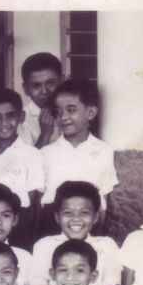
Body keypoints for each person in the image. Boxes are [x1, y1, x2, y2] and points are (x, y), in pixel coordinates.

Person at [28, 180, 122, 285]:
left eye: (84, 213)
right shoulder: (44, 246)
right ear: (57, 217)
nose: (76, 219)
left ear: (95, 217)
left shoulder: (107, 246)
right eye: (68, 213)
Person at [40, 79, 118, 228]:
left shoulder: (104, 151)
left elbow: (105, 198)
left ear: (90, 113)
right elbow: (40, 202)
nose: (63, 117)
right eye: (58, 112)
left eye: (71, 110)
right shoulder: (46, 153)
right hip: (52, 224)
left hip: (90, 225)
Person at [0, 88, 45, 242]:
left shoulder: (32, 154)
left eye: (10, 116)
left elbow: (34, 202)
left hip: (21, 225)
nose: (4, 123)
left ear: (22, 117)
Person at [17, 52, 63, 148]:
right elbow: (26, 162)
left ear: (62, 81)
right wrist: (45, 135)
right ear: (26, 89)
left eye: (50, 83)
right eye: (36, 85)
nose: (44, 91)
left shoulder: (73, 112)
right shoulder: (21, 120)